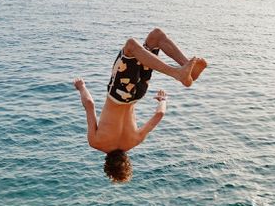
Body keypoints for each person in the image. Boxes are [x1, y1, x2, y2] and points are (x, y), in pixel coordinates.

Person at [73, 28, 207, 182]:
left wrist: (163, 100)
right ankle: (179, 73)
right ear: (106, 164)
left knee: (155, 37)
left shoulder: (134, 141)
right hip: (120, 93)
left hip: (137, 94)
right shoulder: (95, 142)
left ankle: (187, 70)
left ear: (126, 161)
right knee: (131, 45)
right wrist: (81, 87)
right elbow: (89, 104)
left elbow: (159, 115)